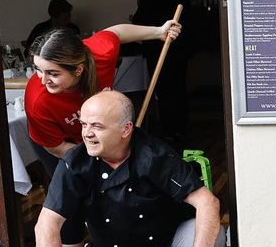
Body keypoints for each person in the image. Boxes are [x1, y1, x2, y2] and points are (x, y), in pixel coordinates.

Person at [35, 91, 225, 247]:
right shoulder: (75, 163)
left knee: (213, 235)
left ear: (126, 129)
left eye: (96, 126)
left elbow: (208, 202)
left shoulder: (154, 154)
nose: (86, 133)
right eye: (83, 124)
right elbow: (46, 224)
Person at [24, 19, 181, 175]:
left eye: (53, 73)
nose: (43, 80)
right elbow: (56, 148)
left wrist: (159, 31)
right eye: (38, 69)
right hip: (61, 145)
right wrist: (104, 157)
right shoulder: (38, 100)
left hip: (101, 135)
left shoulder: (100, 53)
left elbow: (117, 33)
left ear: (78, 70)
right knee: (74, 190)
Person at [132, 0, 190, 141]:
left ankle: (169, 134)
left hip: (159, 50)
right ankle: (180, 130)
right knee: (179, 89)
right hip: (180, 50)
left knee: (164, 92)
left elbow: (140, 22)